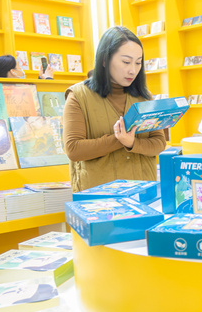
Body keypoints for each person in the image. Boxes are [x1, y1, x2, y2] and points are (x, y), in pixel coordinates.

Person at [63, 26, 166, 191]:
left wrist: (132, 142)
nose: (133, 70)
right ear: (105, 60)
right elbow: (74, 149)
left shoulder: (144, 96)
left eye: (138, 62)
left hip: (143, 191)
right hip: (99, 195)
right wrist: (119, 140)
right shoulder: (78, 96)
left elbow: (159, 143)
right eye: (126, 62)